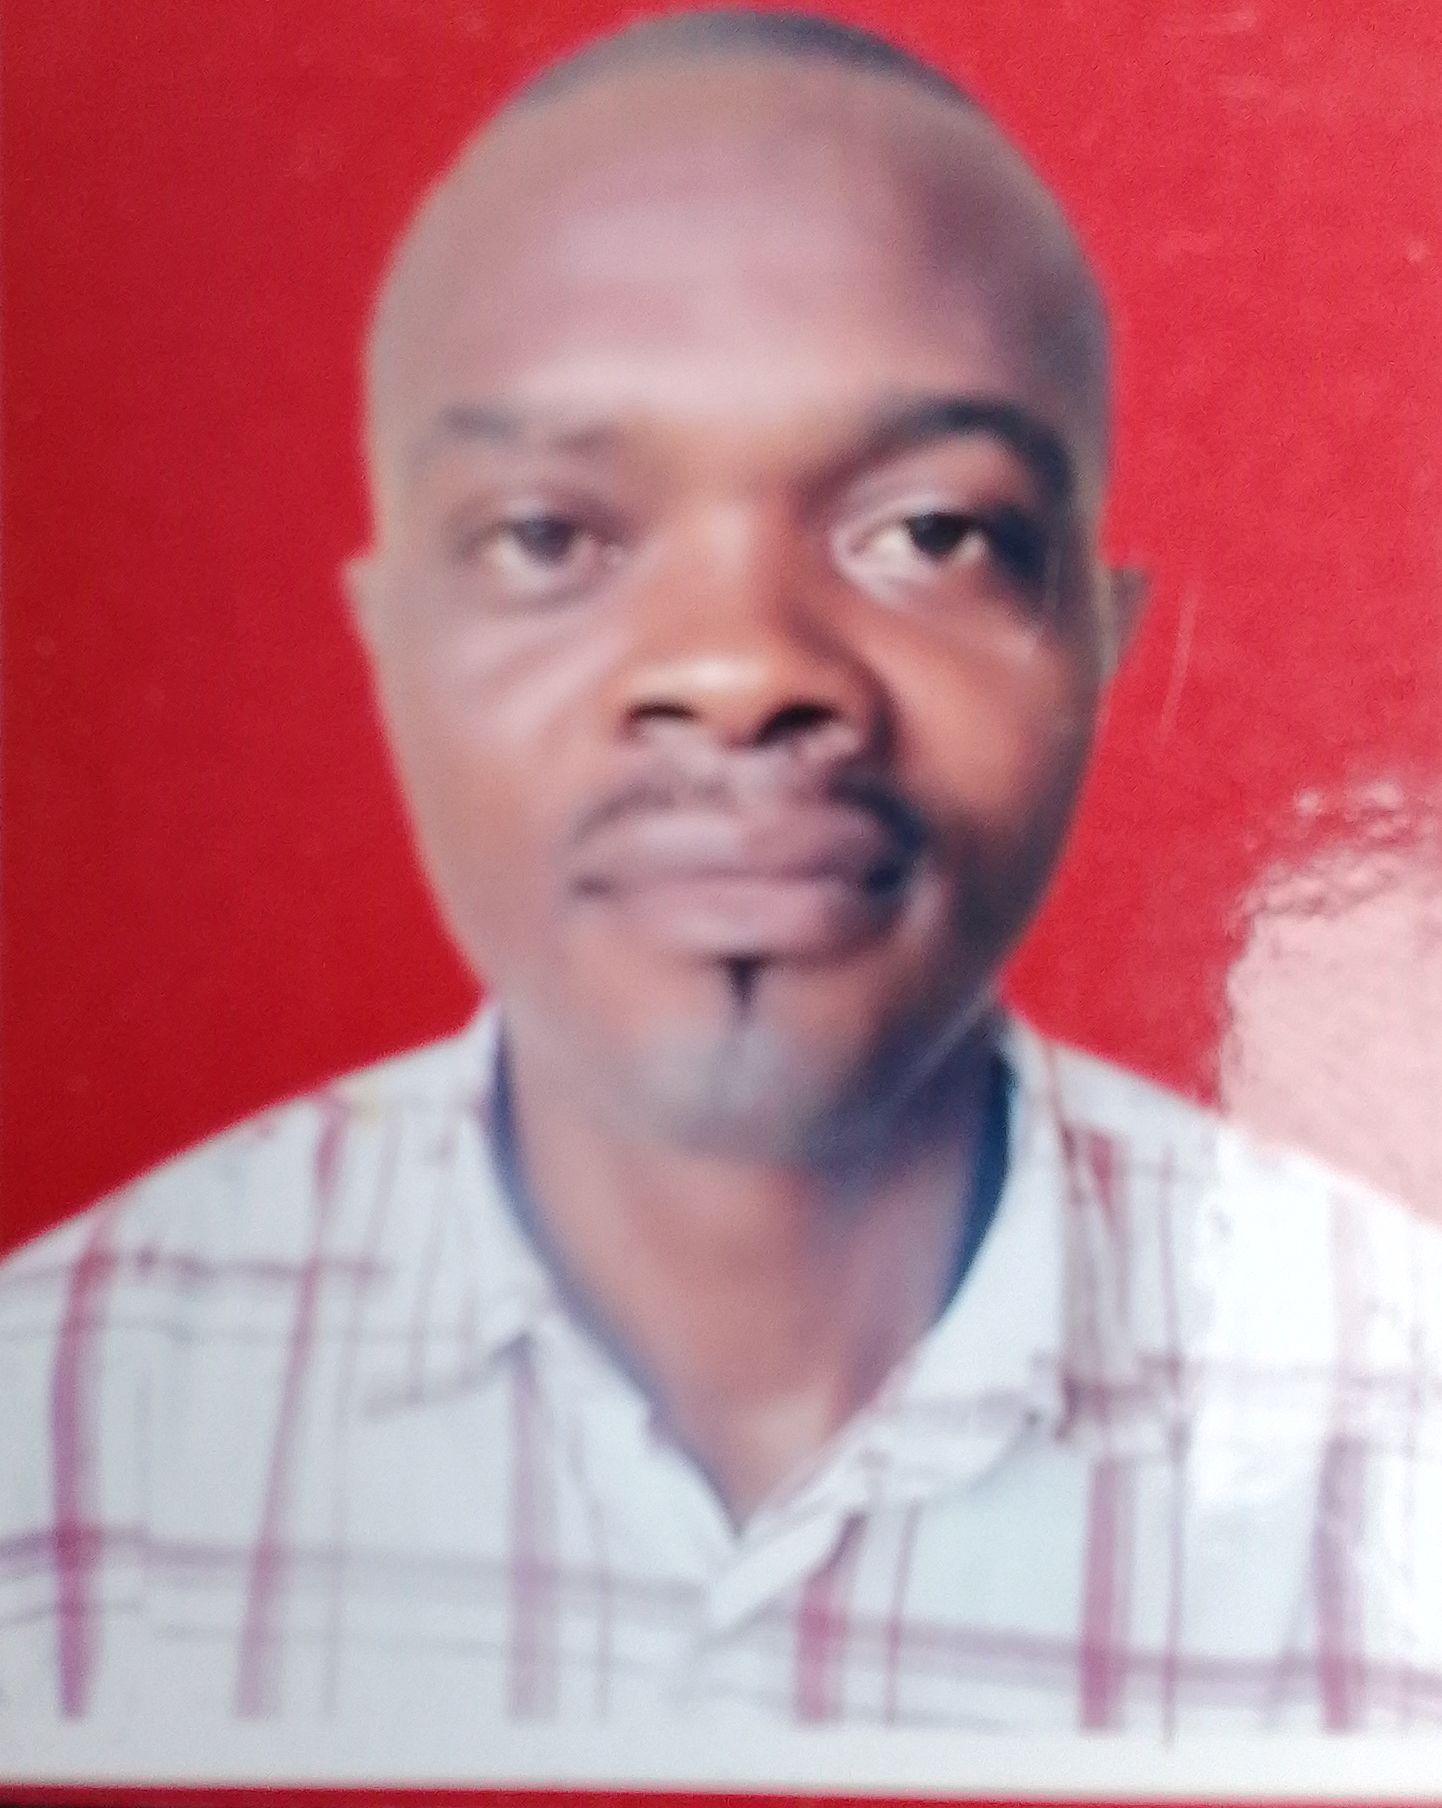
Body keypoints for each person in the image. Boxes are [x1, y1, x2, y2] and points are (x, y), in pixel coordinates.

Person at [2, 7, 1438, 1734]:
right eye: (550, 534)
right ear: (388, 643)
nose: (743, 666)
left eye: (931, 531)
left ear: (1100, 647)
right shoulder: (54, 1427)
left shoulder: (1394, 1412)